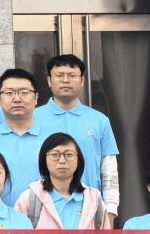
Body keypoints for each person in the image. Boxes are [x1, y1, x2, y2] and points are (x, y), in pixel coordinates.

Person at [38, 54, 121, 222]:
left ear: (82, 81)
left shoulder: (100, 120)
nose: (65, 80)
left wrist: (111, 210)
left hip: (89, 211)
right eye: (59, 75)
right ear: (49, 81)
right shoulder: (33, 119)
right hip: (44, 210)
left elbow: (109, 171)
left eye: (72, 75)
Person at [0, 69, 49, 208]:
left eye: (24, 92)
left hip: (44, 216)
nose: (17, 99)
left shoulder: (52, 140)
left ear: (36, 98)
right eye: (9, 93)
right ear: (0, 98)